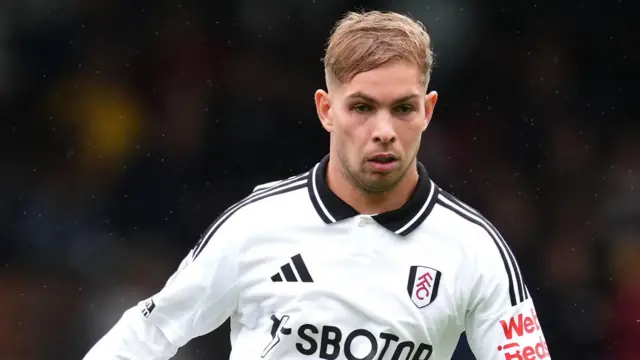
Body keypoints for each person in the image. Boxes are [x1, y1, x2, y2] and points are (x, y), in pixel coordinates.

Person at [84, 10, 551, 360]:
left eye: (403, 109)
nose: (383, 129)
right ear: (327, 109)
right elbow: (150, 332)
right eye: (362, 107)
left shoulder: (473, 247)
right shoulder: (257, 223)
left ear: (427, 111)